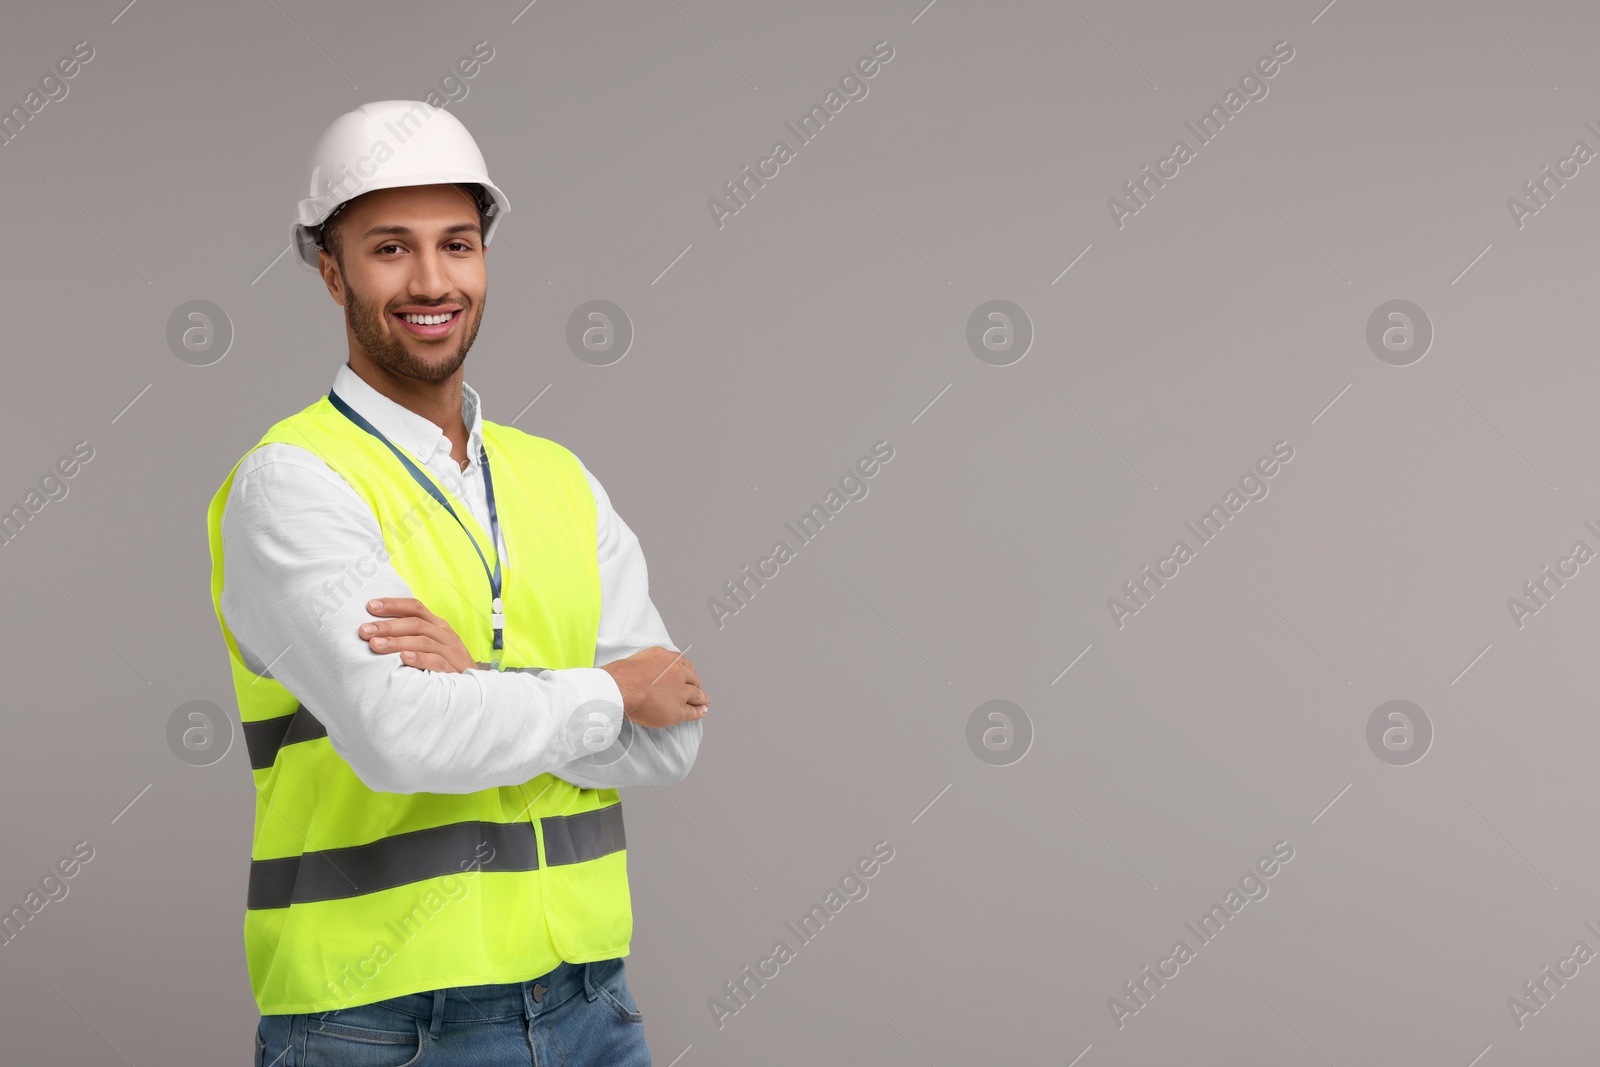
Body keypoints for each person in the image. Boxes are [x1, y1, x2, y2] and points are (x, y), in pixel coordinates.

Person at [204, 100, 707, 1066]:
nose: (432, 281)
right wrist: (606, 693)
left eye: (458, 244)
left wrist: (472, 681)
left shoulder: (559, 478)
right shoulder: (295, 481)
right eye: (390, 247)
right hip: (379, 1023)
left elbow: (672, 733)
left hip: (592, 1004)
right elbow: (402, 739)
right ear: (330, 267)